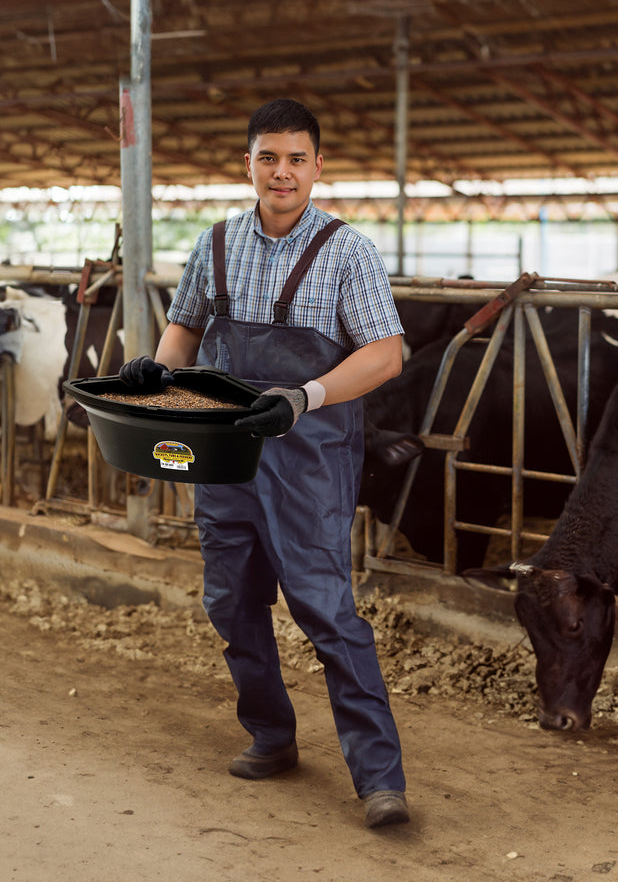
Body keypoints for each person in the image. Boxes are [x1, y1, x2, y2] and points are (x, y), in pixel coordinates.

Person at [119, 98, 409, 829]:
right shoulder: (215, 244)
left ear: (318, 167)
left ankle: (379, 777)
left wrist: (306, 396)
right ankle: (272, 736)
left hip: (307, 458)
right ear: (247, 164)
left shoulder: (348, 252)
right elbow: (184, 329)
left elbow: (385, 353)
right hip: (225, 456)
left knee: (325, 608)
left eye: (297, 159)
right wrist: (159, 371)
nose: (283, 172)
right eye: (268, 158)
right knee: (231, 601)